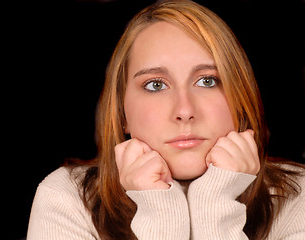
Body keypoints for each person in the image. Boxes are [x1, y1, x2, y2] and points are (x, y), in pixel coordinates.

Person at [27, 0, 305, 239]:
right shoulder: (67, 198)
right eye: (155, 85)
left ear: (240, 99)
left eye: (207, 81)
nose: (184, 111)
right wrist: (159, 208)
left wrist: (214, 202)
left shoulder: (299, 197)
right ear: (122, 114)